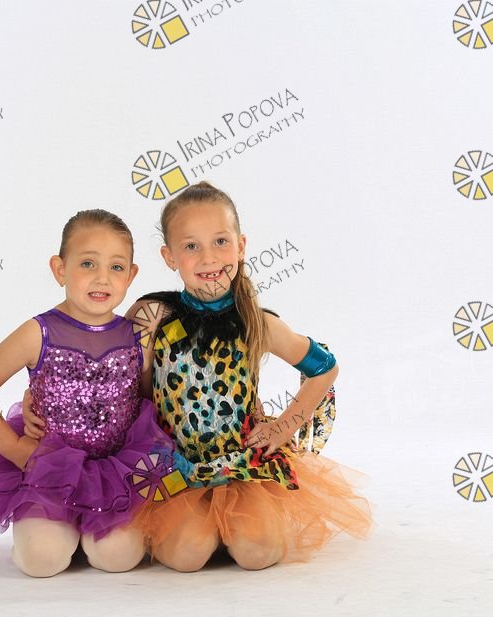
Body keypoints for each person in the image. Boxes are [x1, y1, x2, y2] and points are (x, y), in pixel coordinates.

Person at [24, 183, 373, 571]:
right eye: (191, 246)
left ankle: (236, 526)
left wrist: (282, 428)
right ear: (169, 257)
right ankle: (203, 528)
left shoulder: (257, 323)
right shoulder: (152, 315)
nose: (209, 257)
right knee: (185, 556)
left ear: (241, 246)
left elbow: (324, 368)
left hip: (242, 463)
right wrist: (42, 393)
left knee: (258, 553)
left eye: (220, 241)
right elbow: (107, 366)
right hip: (174, 464)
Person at [0, 209, 173, 577]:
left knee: (118, 559)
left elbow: (146, 402)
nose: (102, 278)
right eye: (87, 263)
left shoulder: (137, 337)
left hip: (115, 473)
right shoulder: (39, 333)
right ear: (59, 269)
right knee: (42, 562)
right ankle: (52, 531)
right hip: (49, 472)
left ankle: (85, 532)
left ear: (131, 275)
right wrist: (14, 449)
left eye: (116, 267)